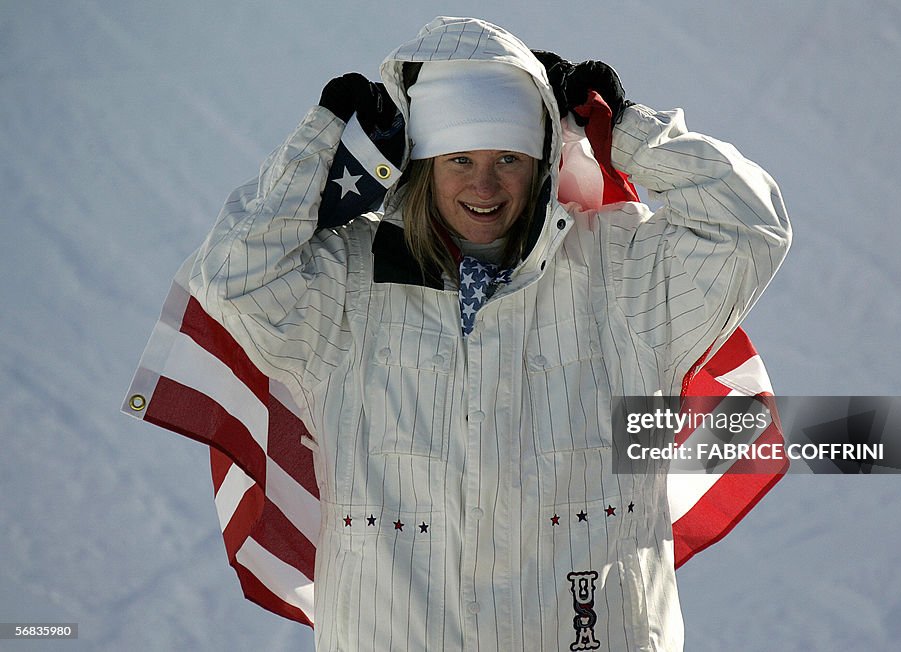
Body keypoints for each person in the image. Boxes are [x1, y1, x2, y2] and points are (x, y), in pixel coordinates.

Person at [189, 15, 791, 651]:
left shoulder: (618, 274)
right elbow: (232, 278)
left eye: (508, 157)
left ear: (541, 164)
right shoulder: (346, 285)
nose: (484, 185)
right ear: (416, 164)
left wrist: (627, 131)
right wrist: (320, 145)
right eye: (458, 159)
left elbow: (749, 227)